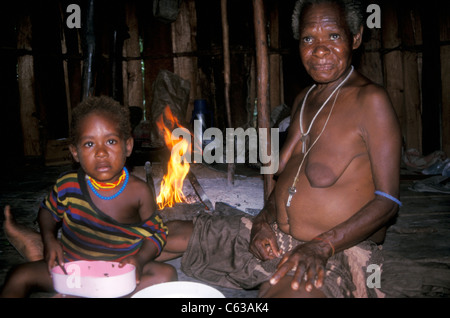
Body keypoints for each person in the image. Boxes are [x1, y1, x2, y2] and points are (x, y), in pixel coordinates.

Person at [159, 0, 402, 298]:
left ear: (355, 37)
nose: (319, 49)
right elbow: (285, 180)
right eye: (309, 38)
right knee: (160, 236)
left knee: (280, 292)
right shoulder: (305, 99)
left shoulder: (371, 101)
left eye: (334, 36)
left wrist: (321, 245)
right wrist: (262, 221)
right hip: (277, 236)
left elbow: (388, 201)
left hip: (336, 250)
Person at [0, 96, 177, 297]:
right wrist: (50, 240)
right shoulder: (68, 184)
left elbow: (157, 233)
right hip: (73, 270)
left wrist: (139, 260)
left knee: (165, 275)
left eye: (111, 141)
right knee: (19, 275)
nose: (101, 152)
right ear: (75, 152)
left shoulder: (139, 192)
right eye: (89, 144)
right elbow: (47, 211)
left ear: (127, 146)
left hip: (119, 275)